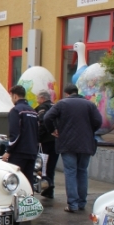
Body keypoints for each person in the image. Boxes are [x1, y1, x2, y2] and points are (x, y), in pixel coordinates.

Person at [43, 84, 102, 213]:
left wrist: (53, 130)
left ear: (66, 93)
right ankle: (82, 203)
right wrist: (89, 131)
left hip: (67, 144)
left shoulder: (61, 104)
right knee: (82, 171)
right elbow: (98, 121)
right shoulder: (89, 104)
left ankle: (72, 205)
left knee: (70, 172)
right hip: (85, 144)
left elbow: (47, 117)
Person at [1, 85, 39, 187]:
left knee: (16, 181)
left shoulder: (16, 111)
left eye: (11, 96)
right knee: (28, 181)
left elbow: (15, 134)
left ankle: (17, 202)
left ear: (15, 96)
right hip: (32, 152)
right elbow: (37, 132)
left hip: (19, 153)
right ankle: (29, 201)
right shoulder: (33, 111)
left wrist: (8, 151)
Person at [35, 89, 59, 199]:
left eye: (38, 98)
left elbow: (42, 122)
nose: (37, 100)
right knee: (51, 167)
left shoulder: (42, 108)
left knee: (43, 166)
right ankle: (49, 191)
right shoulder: (56, 106)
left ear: (42, 98)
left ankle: (48, 185)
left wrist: (38, 137)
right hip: (57, 140)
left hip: (46, 141)